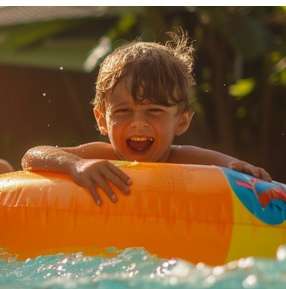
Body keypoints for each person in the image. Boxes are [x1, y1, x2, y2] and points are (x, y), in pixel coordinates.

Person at [20, 33, 271, 206]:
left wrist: (246, 170)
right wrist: (75, 165)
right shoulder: (100, 157)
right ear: (102, 120)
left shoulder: (184, 159)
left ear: (181, 122)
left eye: (154, 111)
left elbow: (235, 169)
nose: (138, 122)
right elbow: (32, 156)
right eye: (123, 111)